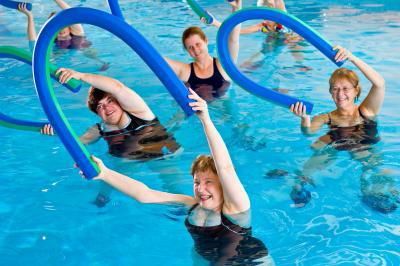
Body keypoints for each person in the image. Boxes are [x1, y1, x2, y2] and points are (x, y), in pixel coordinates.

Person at [89, 89, 272, 264]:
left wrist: (205, 120)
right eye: (196, 182)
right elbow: (145, 194)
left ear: (223, 186)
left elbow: (225, 168)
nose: (200, 188)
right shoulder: (191, 205)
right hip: (208, 259)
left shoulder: (236, 209)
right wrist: (104, 173)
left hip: (251, 261)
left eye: (209, 182)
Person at [289, 46, 398, 212]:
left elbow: (380, 84)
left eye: (345, 88)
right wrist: (304, 119)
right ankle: (302, 186)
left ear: (356, 91)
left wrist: (352, 58)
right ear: (330, 92)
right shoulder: (326, 117)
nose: (340, 94)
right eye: (335, 89)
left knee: (373, 175)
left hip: (366, 150)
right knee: (306, 170)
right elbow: (308, 132)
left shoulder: (366, 111)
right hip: (336, 146)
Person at [42, 68, 181, 161]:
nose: (107, 108)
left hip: (163, 157)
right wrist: (57, 133)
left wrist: (81, 76)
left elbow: (117, 87)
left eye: (110, 101)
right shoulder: (99, 129)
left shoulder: (139, 112)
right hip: (127, 164)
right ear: (97, 113)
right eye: (100, 106)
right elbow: (79, 143)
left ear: (120, 101)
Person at [165, 0, 242, 102]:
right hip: (196, 113)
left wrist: (236, 9)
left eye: (198, 44)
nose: (196, 50)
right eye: (190, 47)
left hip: (222, 110)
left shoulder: (223, 65)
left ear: (206, 41)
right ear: (186, 50)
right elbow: (155, 58)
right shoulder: (185, 70)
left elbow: (233, 40)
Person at [17, 0, 109, 70]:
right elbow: (33, 43)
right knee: (45, 59)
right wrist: (30, 16)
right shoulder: (53, 41)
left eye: (61, 25)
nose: (60, 29)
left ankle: (100, 62)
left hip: (81, 50)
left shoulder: (77, 33)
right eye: (55, 27)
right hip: (62, 56)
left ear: (69, 26)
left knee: (89, 51)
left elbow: (72, 12)